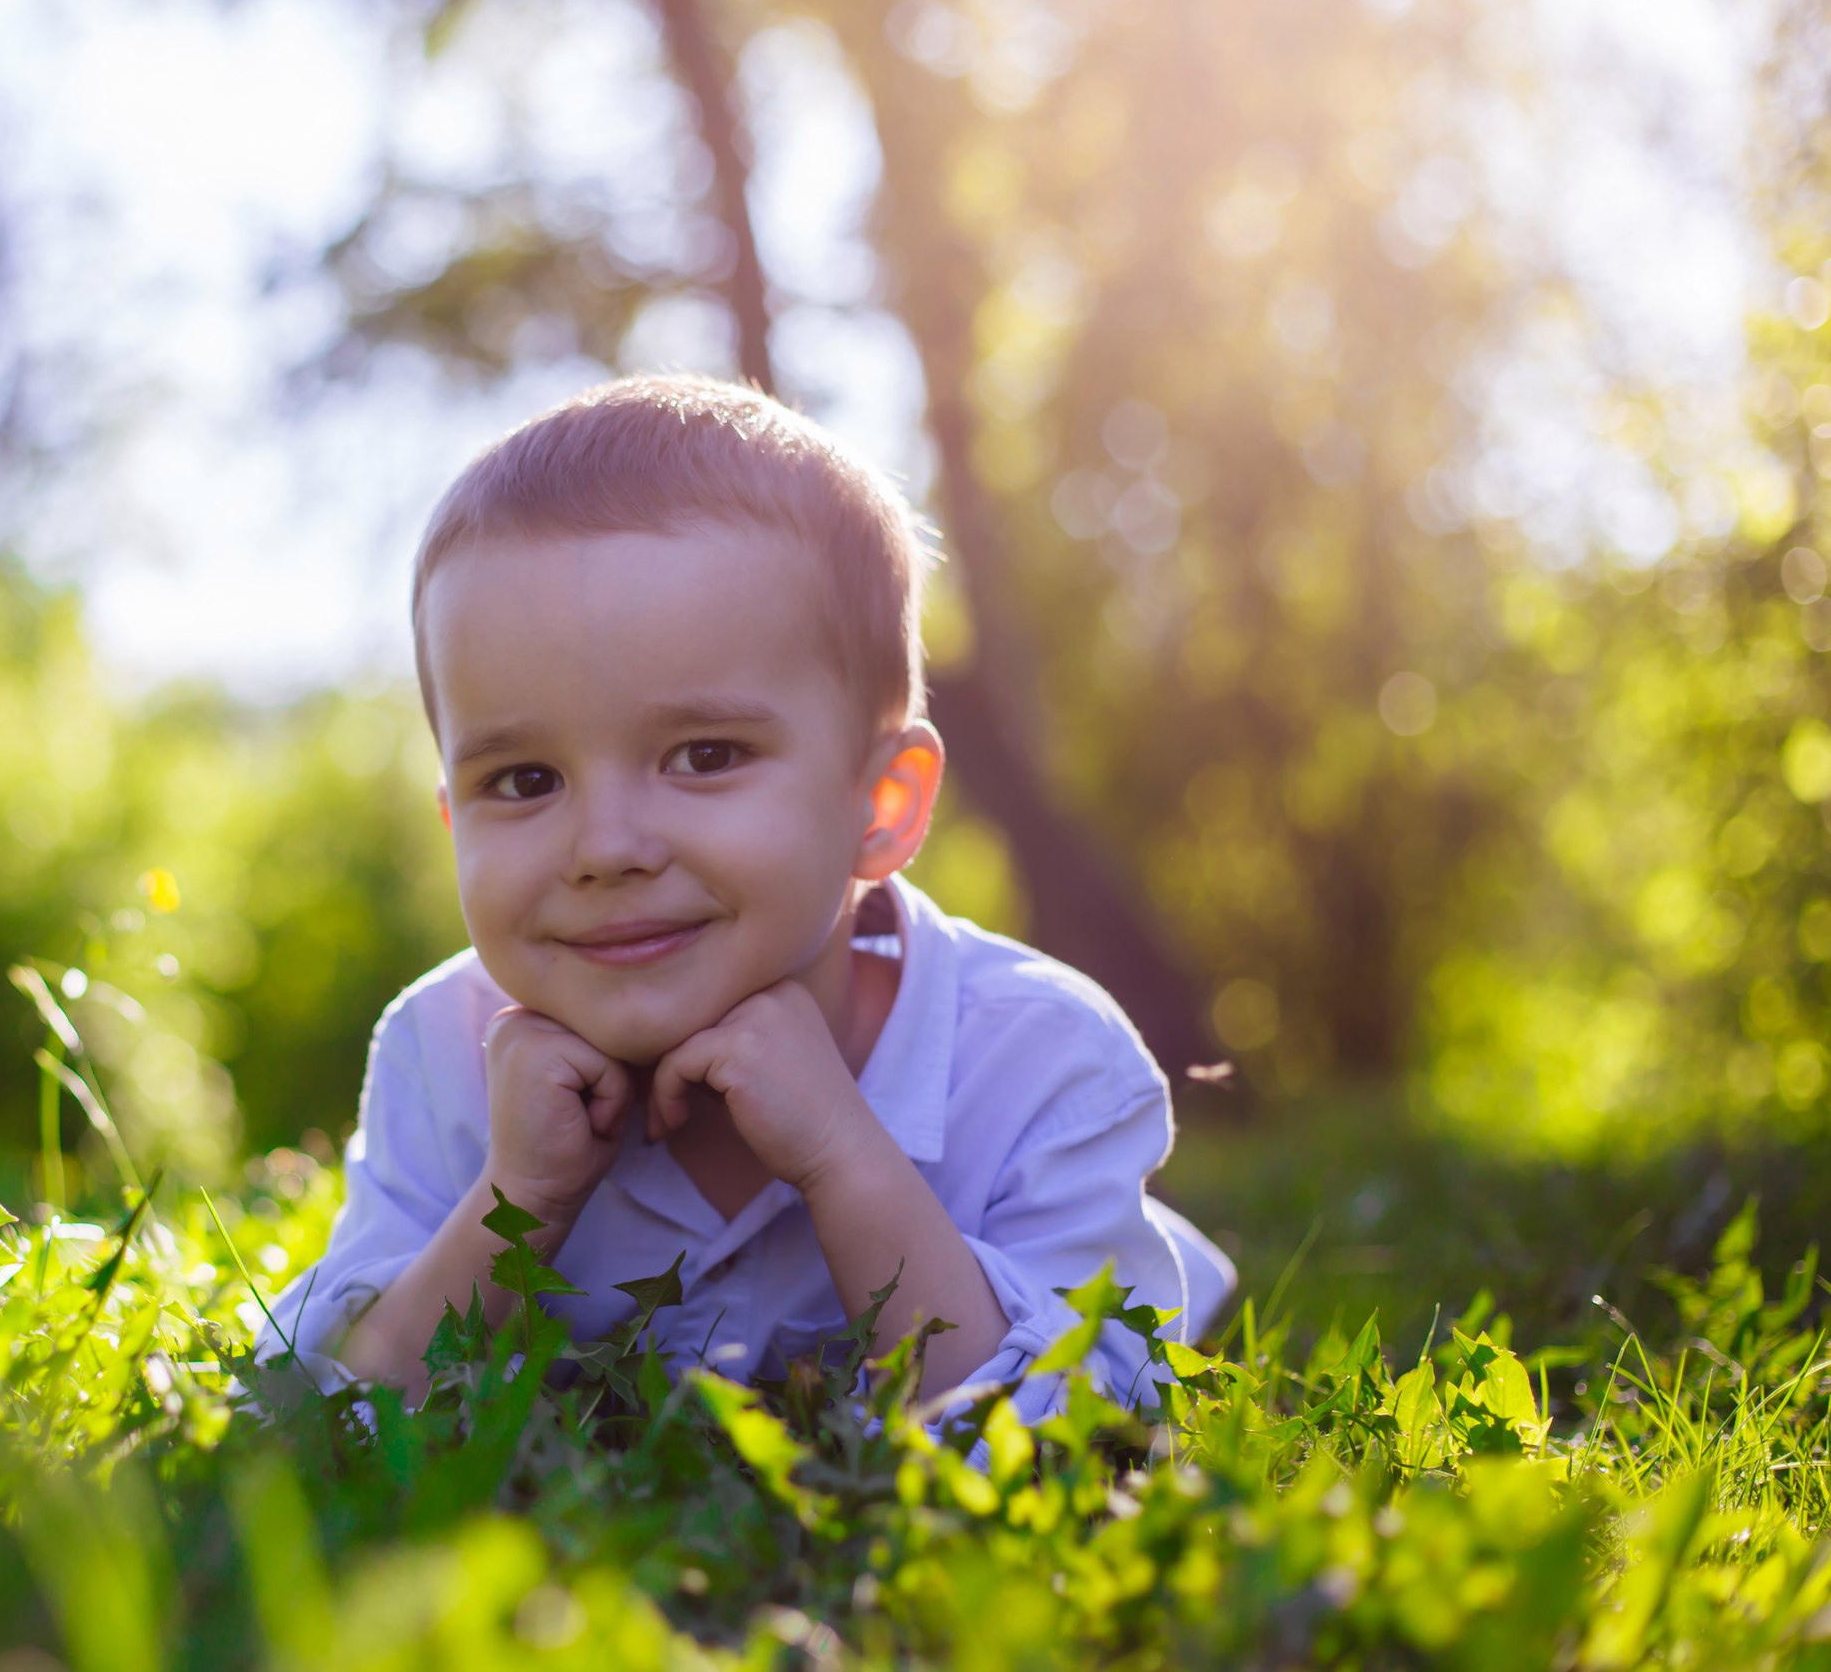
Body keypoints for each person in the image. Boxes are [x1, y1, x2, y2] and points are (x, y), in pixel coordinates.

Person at [262, 374, 1233, 1420]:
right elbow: (316, 1410)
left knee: (1135, 1302)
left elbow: (1082, 1438)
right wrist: (517, 1200)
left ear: (880, 803)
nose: (606, 848)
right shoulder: (443, 1054)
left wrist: (839, 1154)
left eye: (704, 755)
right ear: (455, 820)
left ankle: (1185, 1263)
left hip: (1040, 1289)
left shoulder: (1040, 1063)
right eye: (525, 781)